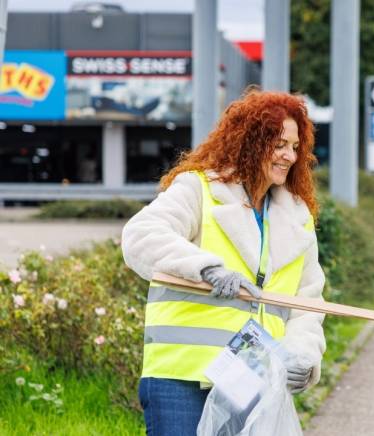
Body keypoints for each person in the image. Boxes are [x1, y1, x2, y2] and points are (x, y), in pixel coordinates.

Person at [121, 89, 326, 435]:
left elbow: (307, 304)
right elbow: (141, 234)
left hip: (251, 378)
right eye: (278, 144)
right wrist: (206, 268)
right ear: (250, 141)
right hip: (181, 376)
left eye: (294, 147)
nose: (289, 156)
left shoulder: (297, 216)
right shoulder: (198, 189)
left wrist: (302, 356)